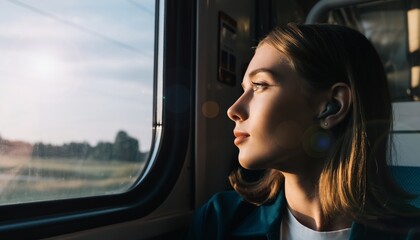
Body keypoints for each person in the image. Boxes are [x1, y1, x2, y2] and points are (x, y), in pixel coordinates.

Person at [185, 23, 420, 239]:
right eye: (244, 89)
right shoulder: (218, 220)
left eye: (260, 86)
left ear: (332, 107)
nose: (233, 109)